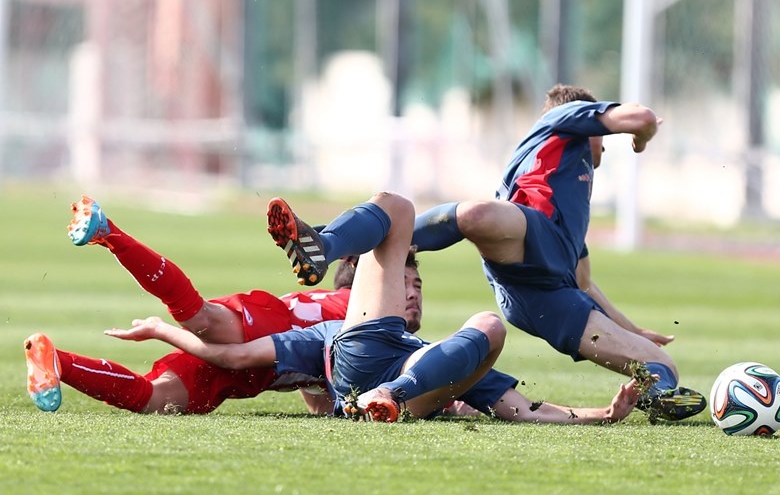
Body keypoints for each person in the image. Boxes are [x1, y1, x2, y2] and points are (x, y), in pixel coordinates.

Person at [106, 193, 641, 423]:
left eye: (418, 284)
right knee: (402, 214)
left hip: (398, 395)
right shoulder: (332, 330)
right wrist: (161, 330)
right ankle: (324, 249)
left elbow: (525, 410)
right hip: (373, 370)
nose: (415, 291)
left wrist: (603, 415)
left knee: (484, 327)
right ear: (368, 287)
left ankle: (324, 249)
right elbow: (235, 358)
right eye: (406, 278)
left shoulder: (436, 354)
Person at [410, 84, 707, 422]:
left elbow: (583, 282)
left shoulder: (571, 199)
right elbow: (643, 118)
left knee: (661, 365)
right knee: (476, 215)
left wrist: (634, 331)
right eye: (601, 135)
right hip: (523, 257)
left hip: (550, 298)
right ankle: (392, 233)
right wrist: (641, 138)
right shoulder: (562, 118)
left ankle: (654, 395)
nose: (603, 145)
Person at [24, 195, 356, 415]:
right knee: (200, 318)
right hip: (273, 329)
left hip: (254, 373)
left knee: (153, 399)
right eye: (406, 283)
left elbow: (323, 390)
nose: (407, 296)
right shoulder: (358, 306)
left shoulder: (349, 321)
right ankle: (108, 232)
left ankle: (56, 362)